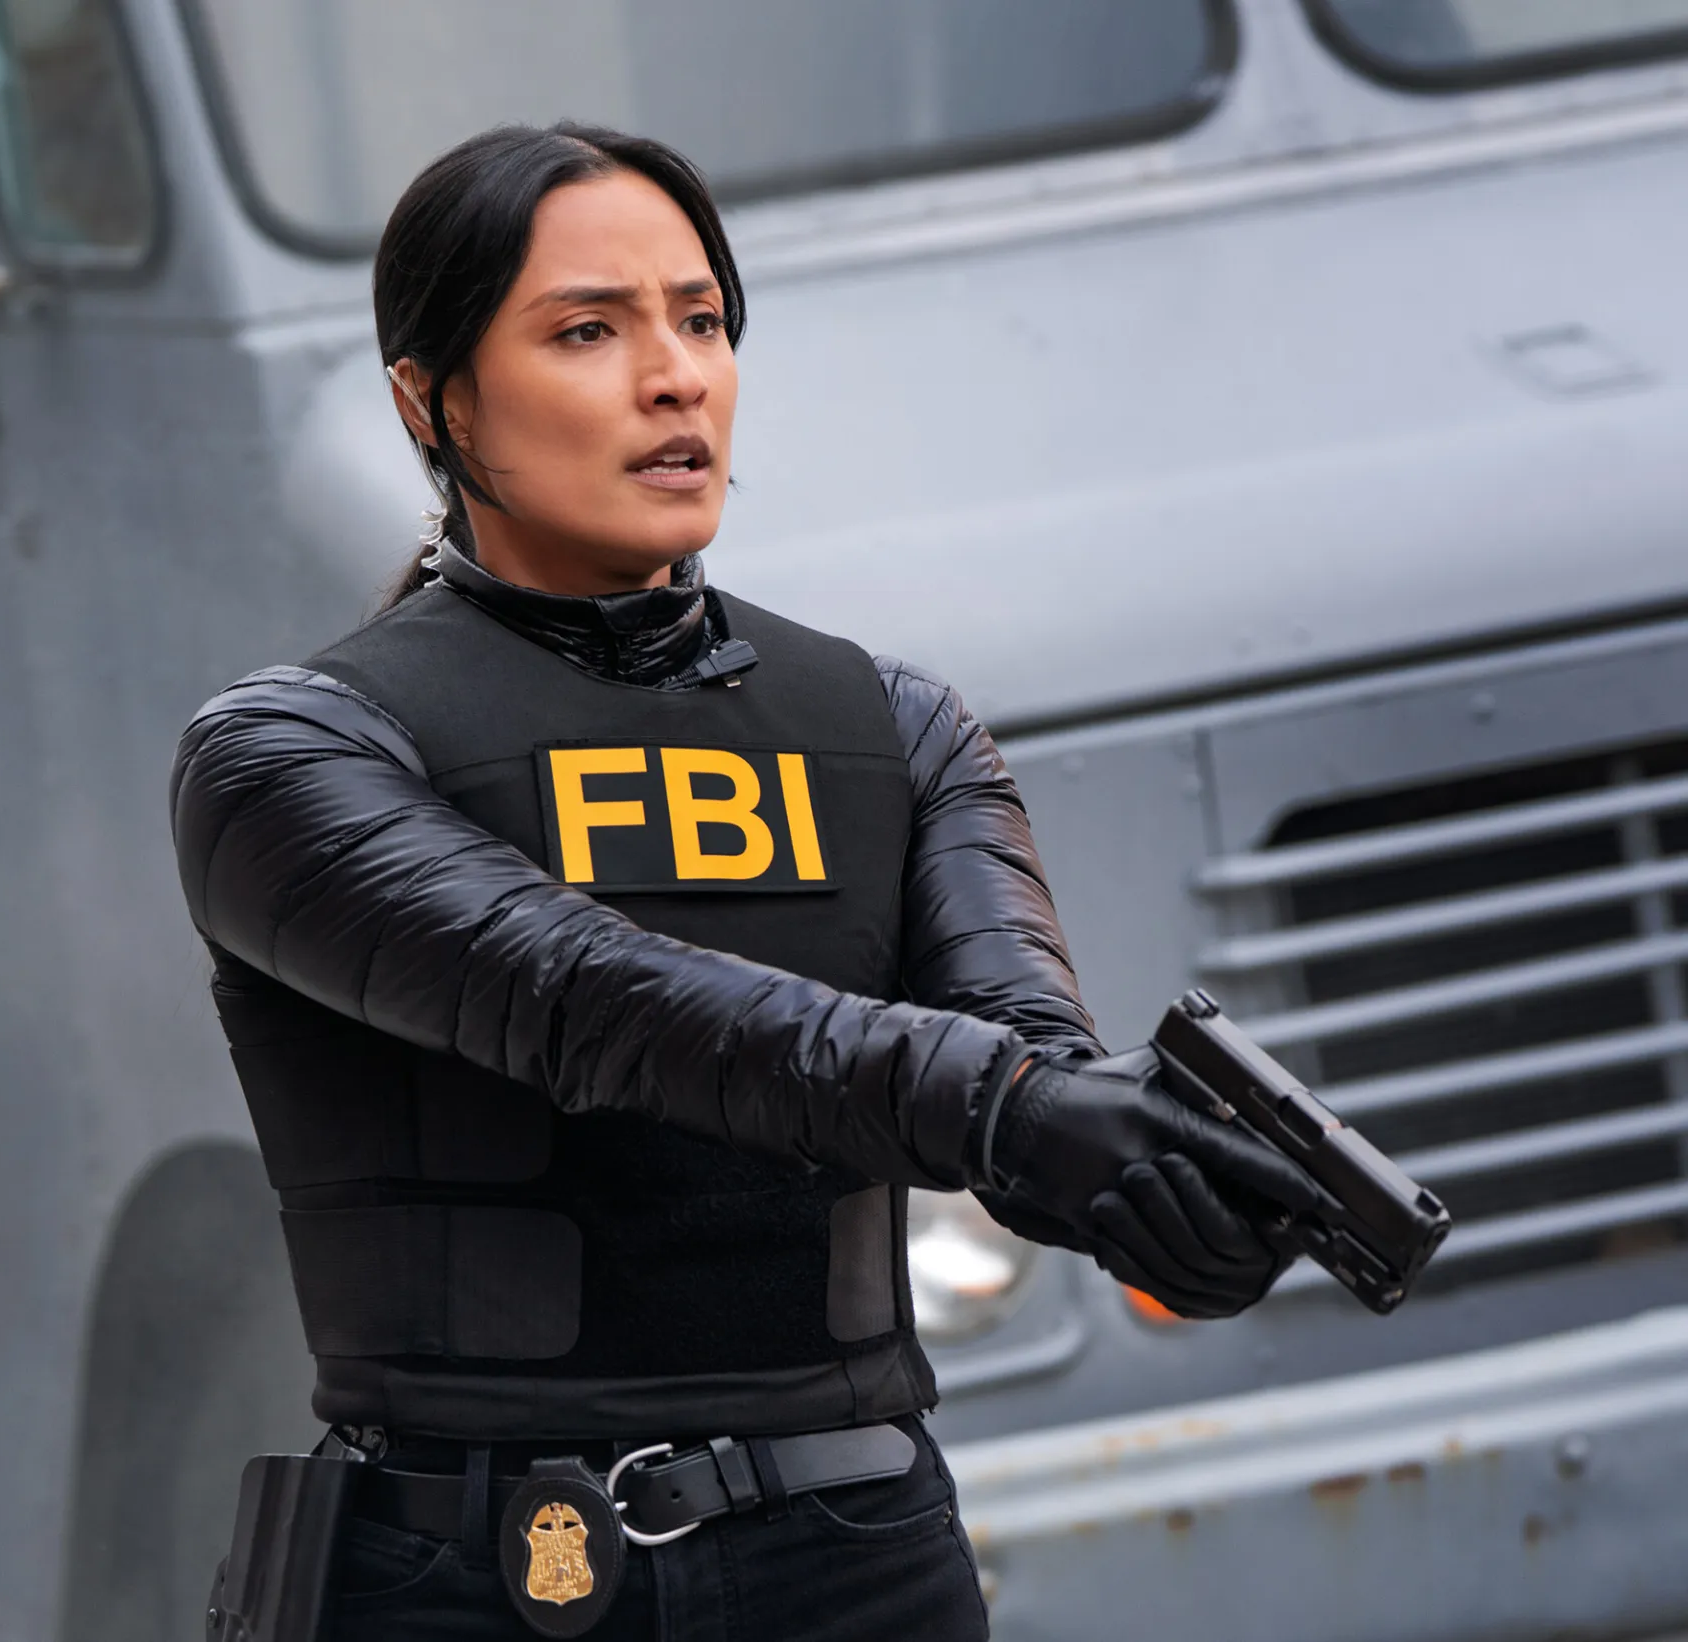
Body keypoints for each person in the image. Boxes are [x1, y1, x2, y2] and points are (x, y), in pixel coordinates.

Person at [170, 122, 1323, 1642]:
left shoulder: (894, 725)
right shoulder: (290, 753)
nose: (675, 378)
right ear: (430, 400)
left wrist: (1150, 1187)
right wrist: (1017, 1112)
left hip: (857, 1556)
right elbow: (587, 1000)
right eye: (588, 330)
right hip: (477, 1576)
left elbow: (1025, 1053)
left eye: (702, 319)